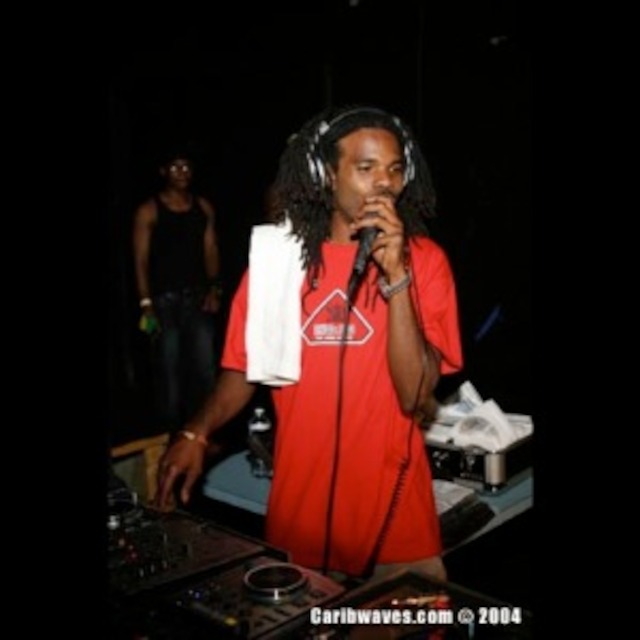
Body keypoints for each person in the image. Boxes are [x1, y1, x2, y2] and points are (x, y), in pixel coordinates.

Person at [156, 106, 463, 583]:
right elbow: (244, 368)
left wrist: (397, 277)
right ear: (325, 175)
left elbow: (415, 393)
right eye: (366, 168)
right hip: (300, 526)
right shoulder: (278, 262)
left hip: (398, 529)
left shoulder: (425, 262)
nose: (384, 183)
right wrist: (196, 431)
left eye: (395, 169)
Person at [132, 148, 222, 434]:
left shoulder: (203, 207)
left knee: (205, 369)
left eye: (186, 167)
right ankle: (169, 436)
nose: (181, 172)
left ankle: (203, 432)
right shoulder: (148, 210)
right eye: (175, 167)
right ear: (163, 172)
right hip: (163, 303)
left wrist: (215, 289)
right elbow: (140, 260)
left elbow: (211, 249)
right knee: (168, 372)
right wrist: (146, 304)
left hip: (198, 299)